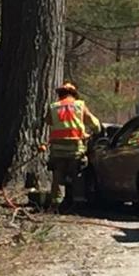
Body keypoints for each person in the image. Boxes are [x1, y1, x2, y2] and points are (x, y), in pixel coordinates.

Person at [44, 81, 101, 210]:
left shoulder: (53, 107)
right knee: (78, 175)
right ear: (74, 94)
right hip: (75, 149)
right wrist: (93, 132)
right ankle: (78, 204)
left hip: (57, 149)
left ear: (60, 94)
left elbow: (48, 121)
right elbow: (95, 124)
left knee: (57, 176)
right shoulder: (79, 106)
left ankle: (56, 204)